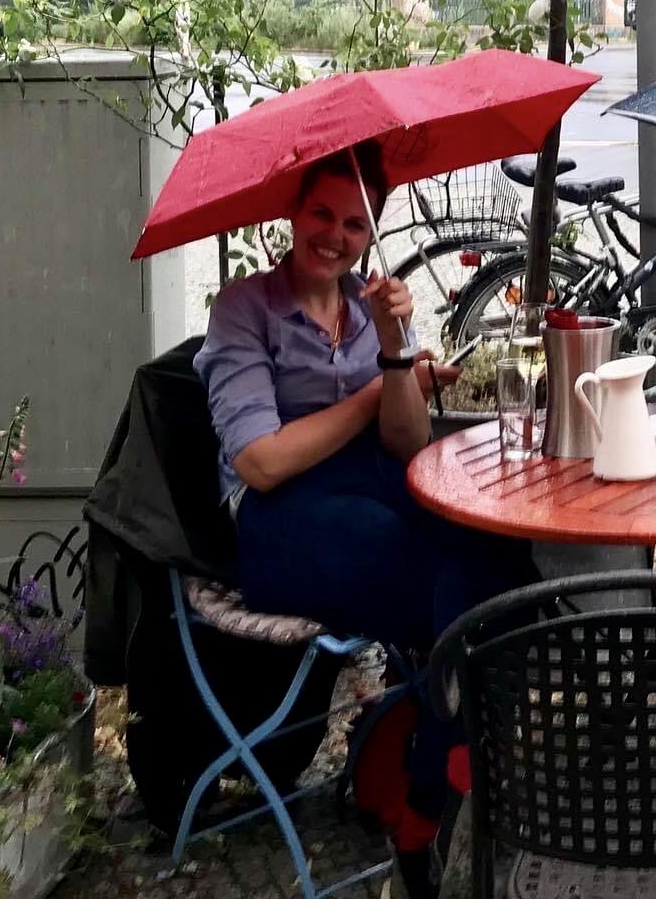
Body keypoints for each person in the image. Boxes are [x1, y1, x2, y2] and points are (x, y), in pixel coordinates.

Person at [193, 143, 535, 896]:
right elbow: (261, 462)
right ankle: (451, 781)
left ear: (371, 227)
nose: (335, 236)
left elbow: (408, 440)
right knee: (446, 578)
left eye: (355, 222)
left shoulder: (369, 305)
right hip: (279, 523)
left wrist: (392, 354)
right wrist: (376, 393)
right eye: (321, 213)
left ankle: (438, 775)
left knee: (499, 554)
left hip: (369, 484)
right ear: (293, 211)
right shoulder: (244, 309)